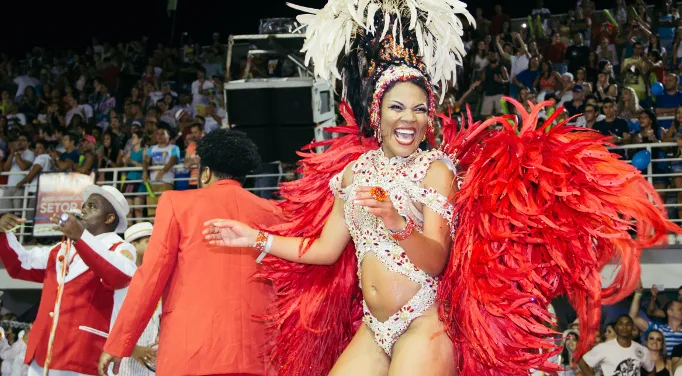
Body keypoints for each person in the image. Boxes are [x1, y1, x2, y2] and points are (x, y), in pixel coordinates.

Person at [199, 1, 682, 375]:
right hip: (374, 327)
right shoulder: (353, 173)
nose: (408, 119)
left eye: (418, 109)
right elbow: (326, 250)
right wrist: (257, 240)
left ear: (429, 117)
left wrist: (396, 221)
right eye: (397, 108)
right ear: (377, 115)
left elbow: (437, 258)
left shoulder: (437, 171)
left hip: (424, 321)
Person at [99, 130, 284, 376]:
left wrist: (119, 341)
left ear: (205, 172)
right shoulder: (273, 212)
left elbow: (150, 278)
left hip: (191, 352)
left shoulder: (176, 204)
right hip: (261, 353)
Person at [0, 185, 136, 375]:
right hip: (43, 353)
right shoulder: (60, 249)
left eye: (92, 206)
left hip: (82, 354)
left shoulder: (120, 248)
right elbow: (20, 266)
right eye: (84, 205)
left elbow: (120, 277)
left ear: (109, 218)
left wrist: (80, 237)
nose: (84, 209)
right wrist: (2, 231)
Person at [110, 222, 158, 376]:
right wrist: (130, 347)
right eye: (148, 241)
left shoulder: (158, 277)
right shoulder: (122, 279)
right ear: (134, 246)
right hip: (124, 357)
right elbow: (113, 318)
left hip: (152, 356)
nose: (155, 245)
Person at [579, 315, 656, 376]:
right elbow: (582, 363)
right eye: (621, 324)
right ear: (616, 328)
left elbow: (651, 369)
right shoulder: (603, 348)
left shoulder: (642, 350)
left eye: (628, 324)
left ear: (633, 328)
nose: (624, 327)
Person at [630, 281, 682, 356]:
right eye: (680, 309)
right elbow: (633, 317)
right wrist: (638, 293)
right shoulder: (658, 329)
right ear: (670, 312)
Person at [142, 123, 179, 217]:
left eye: (163, 133)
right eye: (158, 133)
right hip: (152, 183)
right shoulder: (152, 148)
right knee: (151, 211)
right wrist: (145, 172)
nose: (159, 136)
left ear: (168, 136)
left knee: (164, 211)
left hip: (166, 182)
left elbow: (173, 160)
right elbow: (146, 161)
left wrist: (162, 172)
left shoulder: (174, 148)